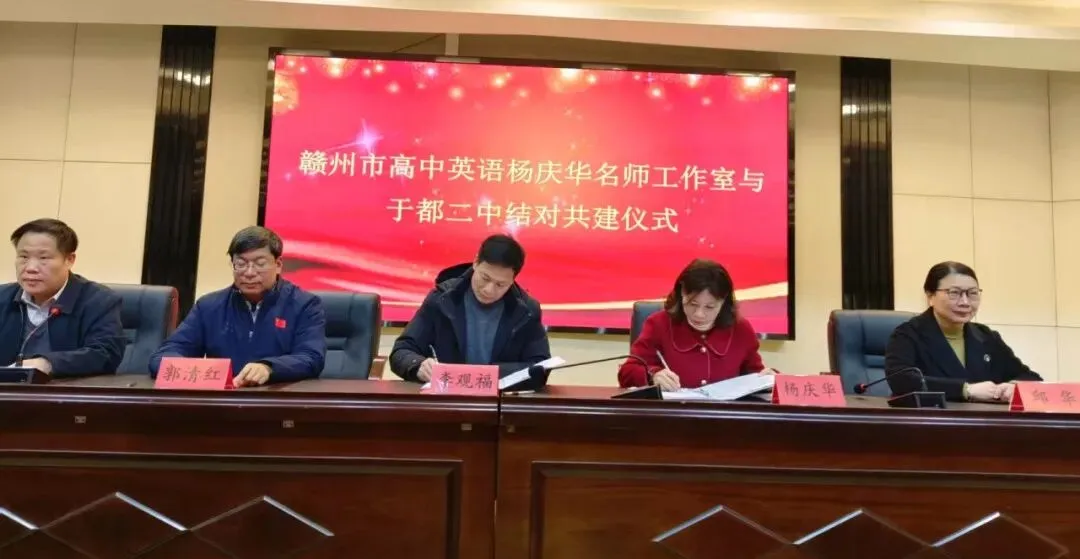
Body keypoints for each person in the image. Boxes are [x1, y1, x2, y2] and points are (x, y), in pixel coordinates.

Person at [149, 226, 326, 386]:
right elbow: (165, 356)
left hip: (277, 399)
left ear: (278, 264)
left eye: (260, 264)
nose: (249, 273)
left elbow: (311, 358)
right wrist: (190, 370)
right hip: (223, 401)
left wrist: (268, 367)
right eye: (240, 264)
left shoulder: (304, 304)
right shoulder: (209, 306)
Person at [390, 234, 551, 382]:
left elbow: (540, 367)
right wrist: (418, 365)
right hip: (447, 397)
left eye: (500, 285)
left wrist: (489, 376)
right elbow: (401, 351)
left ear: (513, 279)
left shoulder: (526, 311)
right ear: (475, 262)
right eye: (485, 278)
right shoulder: (442, 299)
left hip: (499, 399)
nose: (489, 290)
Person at [885, 261, 1042, 403]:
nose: (965, 302)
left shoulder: (986, 336)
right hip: (933, 421)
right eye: (954, 293)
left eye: (972, 293)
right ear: (930, 296)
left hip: (983, 421)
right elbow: (901, 381)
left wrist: (1013, 386)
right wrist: (965, 390)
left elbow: (1030, 378)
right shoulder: (907, 334)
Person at [618, 259, 774, 391]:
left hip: (723, 416)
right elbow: (627, 372)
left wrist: (768, 380)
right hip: (674, 415)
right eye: (692, 304)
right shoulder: (659, 324)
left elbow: (756, 376)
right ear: (681, 293)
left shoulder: (740, 329)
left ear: (724, 301)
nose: (699, 314)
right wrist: (653, 376)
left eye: (710, 307)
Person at [0, 218, 124, 376]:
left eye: (43, 258)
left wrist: (47, 364)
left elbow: (105, 354)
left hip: (68, 389)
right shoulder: (3, 298)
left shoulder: (99, 300)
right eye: (23, 257)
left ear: (69, 260)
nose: (30, 268)